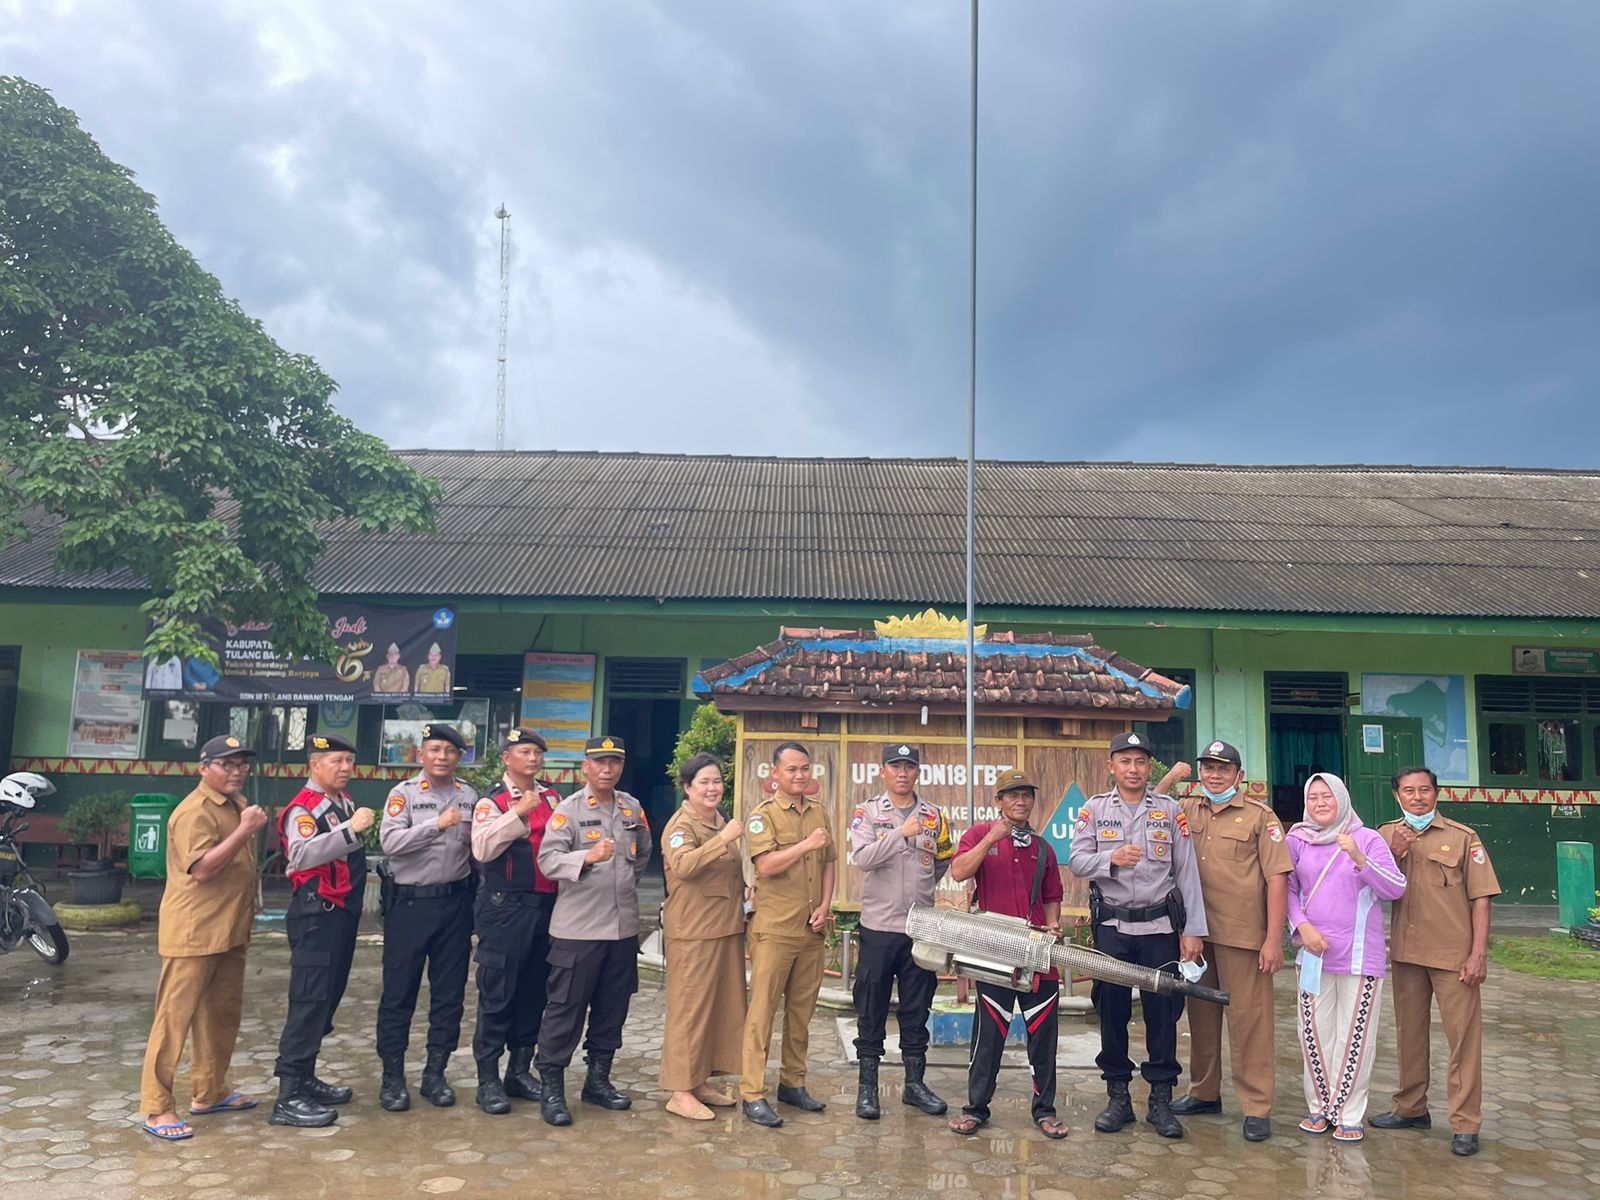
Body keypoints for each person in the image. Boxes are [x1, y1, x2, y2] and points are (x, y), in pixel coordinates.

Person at [1070, 731, 1208, 1139]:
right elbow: (1076, 861)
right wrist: (1109, 858)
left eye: (1141, 762)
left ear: (1151, 768)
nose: (1133, 769)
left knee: (1162, 1015)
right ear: (1111, 766)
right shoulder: (1094, 811)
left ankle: (1161, 1101)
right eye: (1125, 762)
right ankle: (1118, 1098)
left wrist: (1193, 932)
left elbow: (1187, 873)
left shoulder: (1169, 811)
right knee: (1111, 1011)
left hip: (1160, 929)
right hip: (1113, 928)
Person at [138, 735, 267, 1141]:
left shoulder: (236, 805)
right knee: (173, 1021)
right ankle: (156, 1108)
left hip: (229, 928)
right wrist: (245, 830)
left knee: (222, 1015)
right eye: (226, 764)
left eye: (242, 764)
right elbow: (204, 869)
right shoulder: (194, 812)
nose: (236, 771)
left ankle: (210, 1092)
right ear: (203, 768)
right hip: (194, 932)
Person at [1369, 766, 1501, 1157]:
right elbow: (1371, 886)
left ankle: (1465, 1124)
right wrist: (1394, 853)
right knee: (1409, 1035)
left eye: (1424, 790)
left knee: (1463, 1042)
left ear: (1437, 793)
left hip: (1453, 956)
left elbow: (1482, 898)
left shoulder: (1463, 838)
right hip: (1407, 954)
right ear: (1397, 796)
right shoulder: (1386, 835)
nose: (1417, 797)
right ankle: (1410, 1108)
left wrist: (1478, 953)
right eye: (1408, 791)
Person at [1164, 740, 1291, 1142]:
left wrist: (1274, 939)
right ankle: (1203, 1092)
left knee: (1249, 1021)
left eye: (1223, 768)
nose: (1214, 775)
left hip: (1243, 935)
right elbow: (1148, 809)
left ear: (1239, 775)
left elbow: (1277, 879)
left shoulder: (1260, 816)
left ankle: (1256, 1106)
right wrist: (1170, 778)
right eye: (1207, 767)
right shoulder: (1186, 809)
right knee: (1200, 1017)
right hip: (1197, 935)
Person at [534, 735, 653, 1126]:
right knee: (565, 1010)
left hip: (620, 930)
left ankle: (597, 1080)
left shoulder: (631, 807)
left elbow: (643, 854)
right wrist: (587, 856)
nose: (607, 769)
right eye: (599, 762)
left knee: (611, 1009)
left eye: (614, 762)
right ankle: (552, 1087)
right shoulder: (567, 811)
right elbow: (548, 861)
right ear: (585, 767)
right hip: (578, 931)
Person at [946, 771, 1069, 1140]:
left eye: (1026, 795)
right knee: (988, 1038)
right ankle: (975, 1110)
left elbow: (1052, 896)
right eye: (1012, 795)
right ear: (997, 801)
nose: (1020, 801)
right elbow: (958, 872)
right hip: (993, 956)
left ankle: (1045, 1111)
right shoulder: (978, 834)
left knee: (1043, 1039)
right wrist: (990, 840)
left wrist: (1053, 927)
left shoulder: (1043, 847)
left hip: (1036, 957)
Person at [1286, 772, 1407, 1143]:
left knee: (1354, 1037)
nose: (1320, 803)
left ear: (1342, 798)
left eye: (1328, 796)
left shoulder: (1366, 838)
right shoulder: (1297, 840)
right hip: (1313, 955)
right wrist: (1302, 927)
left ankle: (1348, 1113)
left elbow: (1395, 888)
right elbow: (1287, 889)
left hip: (1359, 958)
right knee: (1313, 1034)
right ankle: (1320, 1108)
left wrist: (1359, 858)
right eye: (1313, 797)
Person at [849, 743, 955, 1121]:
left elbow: (942, 861)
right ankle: (867, 1089)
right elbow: (862, 859)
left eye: (909, 766)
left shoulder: (935, 816)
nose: (903, 773)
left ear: (918, 773)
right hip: (879, 928)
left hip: (919, 929)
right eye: (895, 766)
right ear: (883, 772)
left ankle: (914, 1085)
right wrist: (899, 834)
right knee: (871, 1008)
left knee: (916, 1010)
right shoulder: (868, 813)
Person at [269, 733, 370, 1127]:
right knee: (308, 1001)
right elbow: (302, 855)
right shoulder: (304, 808)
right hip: (315, 915)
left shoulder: (341, 802)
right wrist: (351, 831)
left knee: (327, 999)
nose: (345, 769)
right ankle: (288, 1094)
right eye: (336, 762)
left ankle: (306, 1077)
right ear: (314, 765)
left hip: (339, 915)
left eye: (348, 761)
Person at [375, 722, 476, 1112]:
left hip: (455, 905)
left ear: (458, 757)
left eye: (450, 752)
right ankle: (393, 1078)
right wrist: (436, 824)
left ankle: (436, 1073)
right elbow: (391, 842)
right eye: (434, 750)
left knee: (449, 995)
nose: (442, 758)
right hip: (410, 906)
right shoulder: (403, 796)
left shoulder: (468, 796)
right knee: (399, 994)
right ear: (421, 755)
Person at [740, 741, 836, 1128]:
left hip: (810, 929)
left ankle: (792, 1084)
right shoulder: (762, 817)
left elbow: (829, 863)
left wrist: (826, 906)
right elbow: (766, 866)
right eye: (791, 769)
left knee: (801, 1014)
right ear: (774, 774)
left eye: (804, 769)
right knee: (761, 1013)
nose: (799, 775)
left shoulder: (819, 812)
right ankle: (751, 1093)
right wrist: (806, 844)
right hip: (775, 929)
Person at [468, 727, 561, 1115]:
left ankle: (519, 1072)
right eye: (525, 752)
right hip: (505, 909)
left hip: (547, 907)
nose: (533, 758)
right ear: (507, 758)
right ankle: (487, 1078)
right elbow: (482, 847)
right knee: (497, 992)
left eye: (538, 752)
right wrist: (517, 813)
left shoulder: (553, 796)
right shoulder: (492, 801)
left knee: (534, 991)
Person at [658, 753, 746, 1120]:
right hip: (693, 933)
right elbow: (684, 865)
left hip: (724, 927)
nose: (712, 788)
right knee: (690, 1011)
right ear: (687, 787)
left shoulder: (718, 820)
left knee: (717, 1010)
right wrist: (723, 839)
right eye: (704, 782)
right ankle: (679, 1091)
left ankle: (699, 1081)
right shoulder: (682, 826)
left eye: (716, 781)